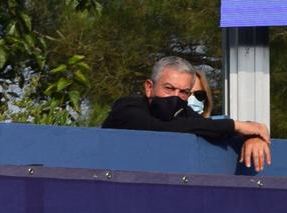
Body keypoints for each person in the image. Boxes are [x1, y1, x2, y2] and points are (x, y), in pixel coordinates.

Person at [102, 56, 271, 171]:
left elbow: (207, 127)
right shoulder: (127, 108)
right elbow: (160, 129)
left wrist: (251, 137)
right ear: (149, 87)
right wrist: (236, 125)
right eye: (169, 88)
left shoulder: (183, 113)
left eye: (183, 92)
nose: (175, 97)